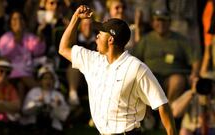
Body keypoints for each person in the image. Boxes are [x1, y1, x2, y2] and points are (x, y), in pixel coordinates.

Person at [59, 5, 177, 135]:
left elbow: (162, 104)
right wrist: (76, 18)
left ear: (110, 39)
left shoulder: (136, 68)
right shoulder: (92, 60)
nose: (96, 36)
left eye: (100, 33)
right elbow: (64, 48)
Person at [134, 9, 201, 103]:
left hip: (173, 76)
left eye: (164, 20)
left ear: (169, 22)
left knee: (177, 81)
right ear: (152, 23)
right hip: (152, 76)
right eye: (158, 20)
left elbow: (195, 58)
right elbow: (135, 58)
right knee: (143, 81)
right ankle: (150, 115)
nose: (161, 23)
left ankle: (169, 111)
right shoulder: (146, 39)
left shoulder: (181, 40)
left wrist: (195, 73)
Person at [21, 65, 70, 135]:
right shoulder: (33, 92)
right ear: (40, 80)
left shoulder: (58, 95)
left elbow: (64, 116)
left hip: (53, 128)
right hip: (34, 126)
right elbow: (25, 111)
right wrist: (37, 103)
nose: (48, 81)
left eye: (50, 78)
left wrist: (58, 105)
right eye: (45, 78)